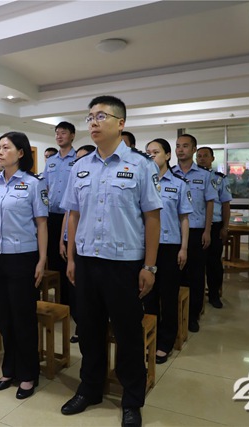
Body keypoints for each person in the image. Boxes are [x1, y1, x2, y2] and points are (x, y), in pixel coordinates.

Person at [60, 95, 162, 427]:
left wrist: (149, 266)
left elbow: (152, 218)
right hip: (87, 262)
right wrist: (71, 258)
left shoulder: (141, 165)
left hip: (124, 265)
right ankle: (90, 389)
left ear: (121, 123)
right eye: (90, 116)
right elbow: (74, 214)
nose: (93, 122)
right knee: (89, 330)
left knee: (127, 334)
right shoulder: (80, 166)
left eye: (101, 116)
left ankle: (132, 400)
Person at [0, 131, 48, 400]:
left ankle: (29, 373)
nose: (0, 152)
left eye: (6, 147)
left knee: (23, 317)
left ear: (20, 153)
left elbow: (41, 224)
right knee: (3, 316)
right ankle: (9, 369)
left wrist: (42, 260)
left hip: (23, 257)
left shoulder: (33, 184)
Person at [143, 138, 192, 364]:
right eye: (148, 152)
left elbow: (184, 219)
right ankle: (150, 336)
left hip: (170, 246)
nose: (151, 156)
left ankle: (166, 341)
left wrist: (184, 247)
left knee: (168, 295)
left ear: (168, 155)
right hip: (146, 246)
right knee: (148, 294)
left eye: (156, 152)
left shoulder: (179, 184)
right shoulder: (143, 181)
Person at [171, 134, 217, 333]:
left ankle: (192, 315)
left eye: (185, 146)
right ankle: (175, 314)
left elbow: (209, 204)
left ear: (194, 149)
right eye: (178, 146)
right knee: (176, 274)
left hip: (197, 231)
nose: (180, 150)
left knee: (196, 275)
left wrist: (207, 230)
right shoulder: (169, 174)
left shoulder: (205, 176)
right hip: (175, 232)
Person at [58, 144, 96, 343]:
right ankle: (80, 323)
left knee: (89, 292)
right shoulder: (76, 178)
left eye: (83, 158)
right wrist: (62, 240)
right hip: (72, 240)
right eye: (77, 159)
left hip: (89, 243)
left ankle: (87, 326)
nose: (79, 162)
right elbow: (69, 213)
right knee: (74, 288)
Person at [42, 121, 76, 330]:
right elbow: (44, 186)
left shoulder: (79, 159)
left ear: (72, 136)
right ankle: (61, 304)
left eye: (63, 133)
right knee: (54, 261)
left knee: (69, 260)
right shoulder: (51, 161)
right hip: (52, 216)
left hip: (71, 216)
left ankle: (73, 304)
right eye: (57, 133)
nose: (59, 136)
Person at [196, 146, 232, 308]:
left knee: (214, 263)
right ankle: (195, 296)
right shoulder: (190, 177)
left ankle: (214, 295)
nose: (202, 159)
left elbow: (225, 205)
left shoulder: (219, 179)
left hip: (215, 225)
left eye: (205, 156)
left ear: (212, 158)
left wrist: (225, 227)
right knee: (196, 264)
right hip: (196, 226)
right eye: (199, 156)